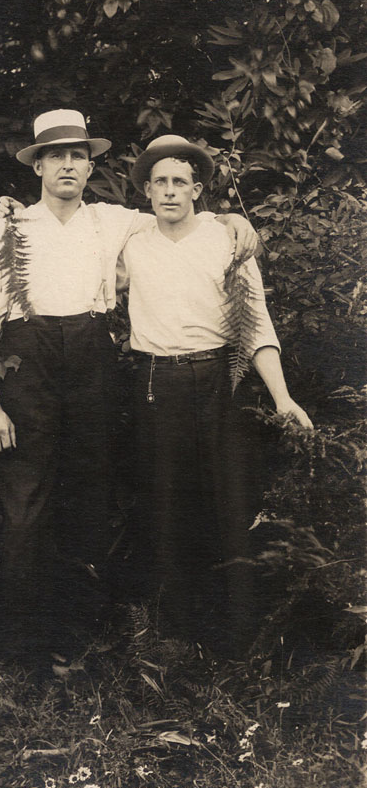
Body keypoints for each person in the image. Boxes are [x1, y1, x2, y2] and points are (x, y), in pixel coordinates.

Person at [0, 109, 258, 669]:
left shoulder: (114, 221)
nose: (68, 165)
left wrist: (233, 222)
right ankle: (22, 650)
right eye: (57, 156)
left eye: (78, 155)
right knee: (26, 505)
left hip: (93, 365)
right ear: (39, 165)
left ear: (89, 165)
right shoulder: (6, 231)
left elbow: (180, 217)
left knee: (89, 497)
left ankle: (83, 636)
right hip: (29, 370)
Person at [117, 135, 313, 654]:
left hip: (224, 382)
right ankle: (179, 637)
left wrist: (282, 398)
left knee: (232, 502)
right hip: (158, 384)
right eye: (158, 182)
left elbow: (255, 324)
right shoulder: (129, 241)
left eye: (180, 181)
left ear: (198, 189)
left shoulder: (228, 239)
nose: (169, 191)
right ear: (146, 191)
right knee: (167, 505)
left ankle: (245, 639)